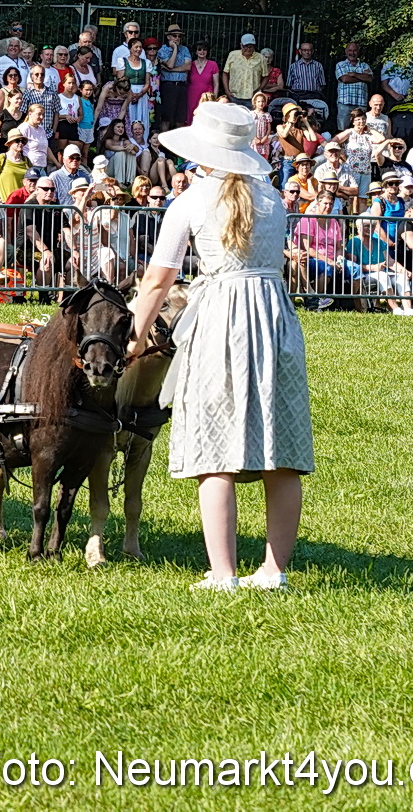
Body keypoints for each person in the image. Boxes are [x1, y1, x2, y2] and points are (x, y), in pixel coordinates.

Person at [130, 102, 313, 592]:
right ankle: (274, 572)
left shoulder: (190, 201)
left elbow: (157, 279)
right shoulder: (274, 197)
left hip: (220, 318)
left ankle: (223, 572)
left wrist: (134, 336)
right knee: (283, 449)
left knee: (215, 450)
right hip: (274, 317)